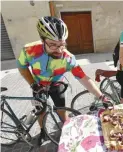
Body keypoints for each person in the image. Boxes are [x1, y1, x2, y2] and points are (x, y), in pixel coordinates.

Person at [17, 16, 105, 144]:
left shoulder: (68, 58)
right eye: (53, 45)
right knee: (40, 112)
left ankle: (66, 130)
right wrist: (33, 84)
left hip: (56, 84)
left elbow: (83, 78)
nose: (59, 50)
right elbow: (22, 67)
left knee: (62, 111)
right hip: (38, 85)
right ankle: (42, 131)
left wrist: (101, 97)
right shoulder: (28, 50)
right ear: (42, 40)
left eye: (62, 45)